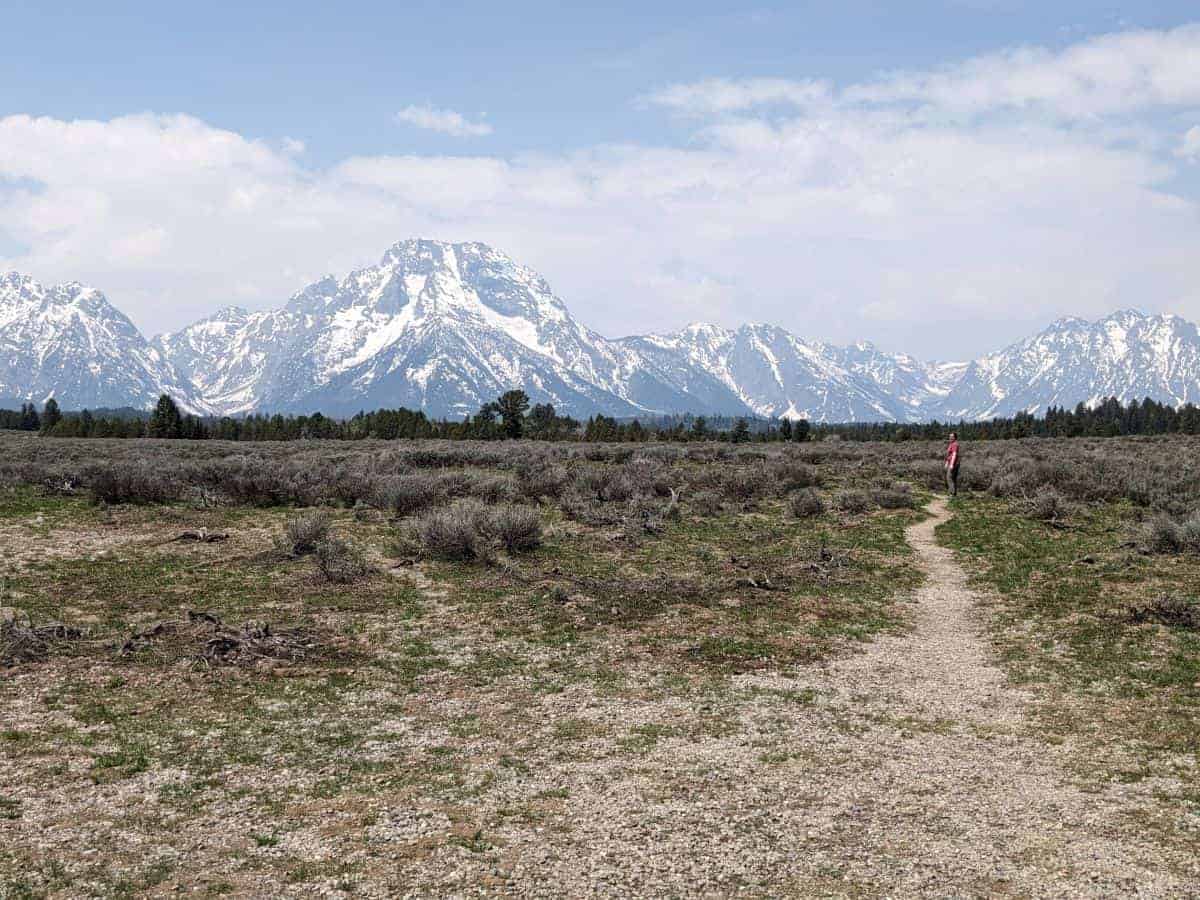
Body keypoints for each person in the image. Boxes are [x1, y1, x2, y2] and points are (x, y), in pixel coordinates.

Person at [944, 431, 960, 497]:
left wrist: (951, 464)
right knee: (953, 478)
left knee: (949, 477)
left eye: (952, 436)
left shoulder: (955, 444)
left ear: (955, 438)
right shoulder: (951, 444)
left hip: (954, 463)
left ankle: (952, 493)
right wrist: (947, 462)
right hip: (952, 463)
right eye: (949, 436)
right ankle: (953, 493)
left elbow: (954, 454)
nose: (950, 437)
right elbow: (949, 455)